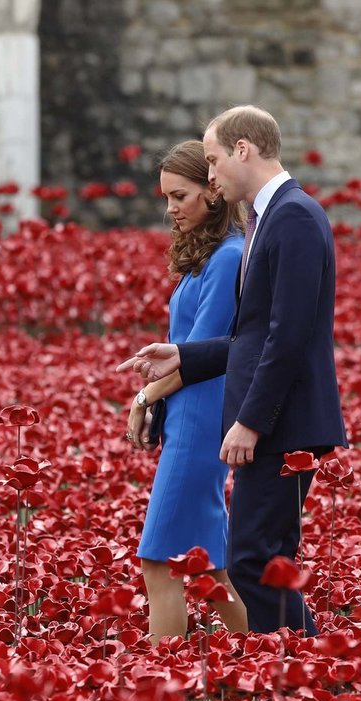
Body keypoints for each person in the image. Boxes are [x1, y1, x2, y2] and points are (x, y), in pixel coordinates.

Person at [118, 106, 346, 634]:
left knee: (251, 562)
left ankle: (302, 673)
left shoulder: (292, 215)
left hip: (280, 423)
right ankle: (301, 672)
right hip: (265, 420)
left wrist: (250, 420)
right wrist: (184, 356)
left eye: (215, 159)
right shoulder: (270, 216)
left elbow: (287, 337)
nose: (212, 173)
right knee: (255, 562)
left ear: (243, 149)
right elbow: (253, 336)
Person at [126, 139, 248, 643]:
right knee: (208, 568)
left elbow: (198, 355)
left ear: (213, 193)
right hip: (192, 416)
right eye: (166, 198)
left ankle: (164, 687)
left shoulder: (227, 257)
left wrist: (144, 397)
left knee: (159, 563)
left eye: (180, 196)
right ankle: (279, 661)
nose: (170, 209)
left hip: (200, 420)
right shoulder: (215, 254)